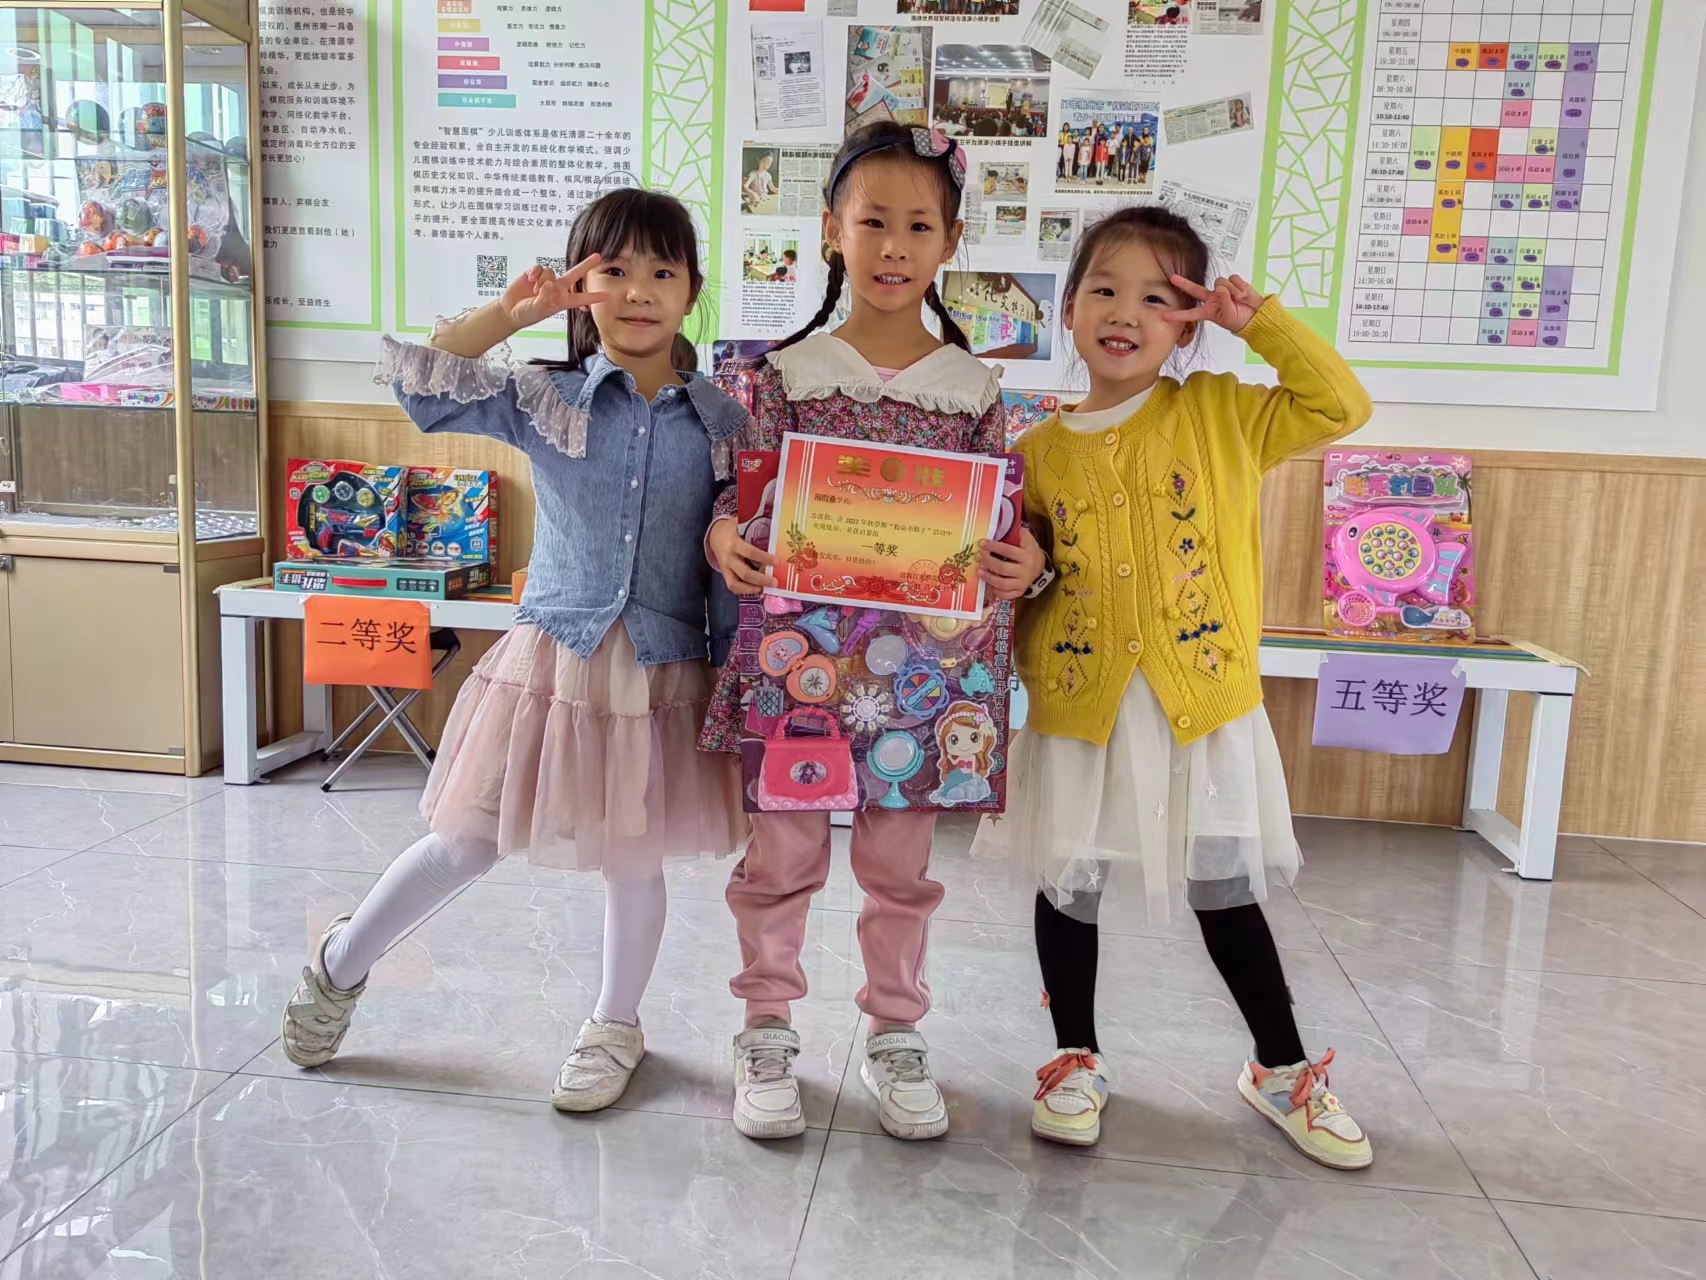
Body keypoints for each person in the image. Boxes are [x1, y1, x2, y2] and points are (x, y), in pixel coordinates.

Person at [280, 188, 749, 1115]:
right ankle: (340, 962)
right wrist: (510, 313)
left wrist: (735, 683)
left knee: (634, 858)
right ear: (582, 287)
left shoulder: (725, 422)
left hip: (661, 671)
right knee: (464, 841)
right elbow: (420, 387)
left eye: (662, 271)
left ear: (692, 290)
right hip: (549, 662)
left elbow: (732, 558)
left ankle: (615, 1025)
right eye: (614, 272)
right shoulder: (544, 396)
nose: (639, 292)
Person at [978, 206, 1376, 1168]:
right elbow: (1033, 572)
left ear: (1187, 323)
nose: (1126, 313)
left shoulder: (1220, 414)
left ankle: (1280, 1068)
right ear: (1068, 309)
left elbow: (1341, 407)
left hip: (1200, 708)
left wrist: (1257, 323)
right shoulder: (1034, 453)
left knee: (1224, 890)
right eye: (1104, 290)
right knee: (1068, 883)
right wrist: (1025, 569)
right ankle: (1075, 1058)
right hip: (1082, 706)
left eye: (1157, 298)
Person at [703, 122, 1046, 1143]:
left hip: (925, 678)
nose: (894, 245)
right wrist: (723, 534)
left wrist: (1021, 558)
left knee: (901, 867)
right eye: (873, 222)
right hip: (799, 664)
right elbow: (740, 493)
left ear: (950, 243)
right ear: (831, 231)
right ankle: (766, 1027)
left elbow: (1002, 523)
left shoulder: (974, 390)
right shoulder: (782, 373)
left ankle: (896, 1030)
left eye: (919, 226)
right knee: (780, 854)